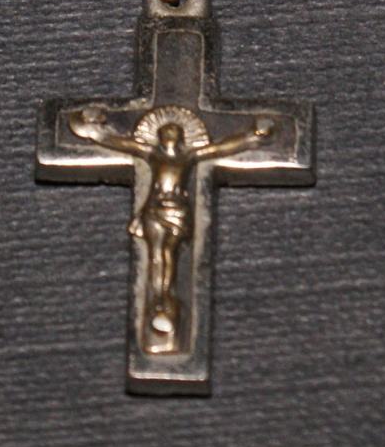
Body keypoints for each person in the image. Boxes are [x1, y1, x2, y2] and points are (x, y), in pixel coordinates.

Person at [69, 107, 270, 353]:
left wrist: (250, 137)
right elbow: (123, 144)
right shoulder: (152, 153)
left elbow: (218, 149)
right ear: (160, 136)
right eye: (166, 132)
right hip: (154, 210)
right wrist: (96, 134)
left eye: (174, 131)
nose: (170, 135)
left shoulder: (189, 156)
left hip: (177, 212)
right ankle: (159, 299)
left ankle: (167, 299)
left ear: (182, 137)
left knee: (169, 254)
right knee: (156, 254)